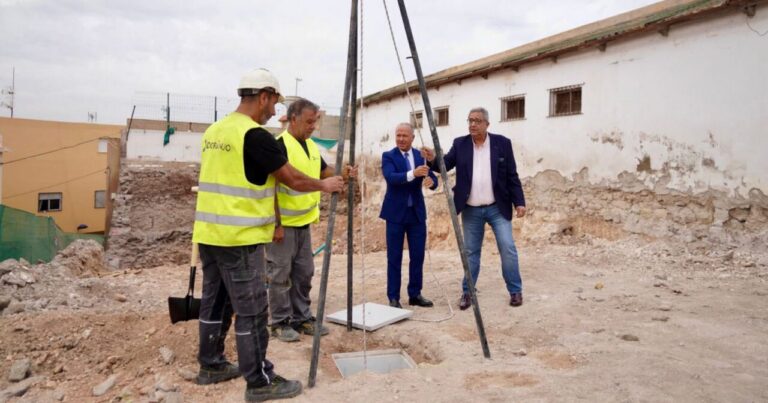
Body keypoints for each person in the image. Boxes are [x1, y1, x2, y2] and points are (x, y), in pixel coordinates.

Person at [191, 68, 344, 402]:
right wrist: (324, 185)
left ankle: (211, 364)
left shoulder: (215, 130)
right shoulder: (254, 135)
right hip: (240, 237)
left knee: (215, 302)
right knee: (253, 311)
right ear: (263, 96)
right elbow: (292, 178)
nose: (274, 112)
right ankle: (260, 381)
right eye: (274, 103)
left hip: (209, 234)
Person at [267, 97, 356, 342]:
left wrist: (343, 173)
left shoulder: (311, 147)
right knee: (279, 275)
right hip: (283, 225)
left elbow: (324, 171)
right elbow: (272, 188)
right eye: (309, 122)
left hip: (303, 223)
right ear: (293, 119)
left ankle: (301, 317)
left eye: (315, 121)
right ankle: (279, 321)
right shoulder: (279, 146)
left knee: (304, 272)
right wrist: (276, 224)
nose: (313, 127)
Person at [422, 107, 526, 310]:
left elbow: (512, 176)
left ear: (487, 124)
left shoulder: (502, 143)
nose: (473, 124)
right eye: (470, 120)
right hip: (470, 209)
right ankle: (468, 292)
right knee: (471, 252)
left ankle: (515, 291)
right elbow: (445, 165)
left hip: (498, 208)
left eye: (477, 121)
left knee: (508, 248)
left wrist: (519, 202)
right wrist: (433, 158)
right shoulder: (460, 144)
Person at [379, 122, 438, 309]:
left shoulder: (420, 156)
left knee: (418, 256)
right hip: (395, 215)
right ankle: (393, 297)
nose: (401, 139)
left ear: (413, 137)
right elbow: (391, 177)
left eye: (405, 135)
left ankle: (415, 294)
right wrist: (413, 173)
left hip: (416, 214)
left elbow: (432, 176)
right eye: (398, 135)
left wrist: (432, 182)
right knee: (394, 257)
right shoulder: (388, 156)